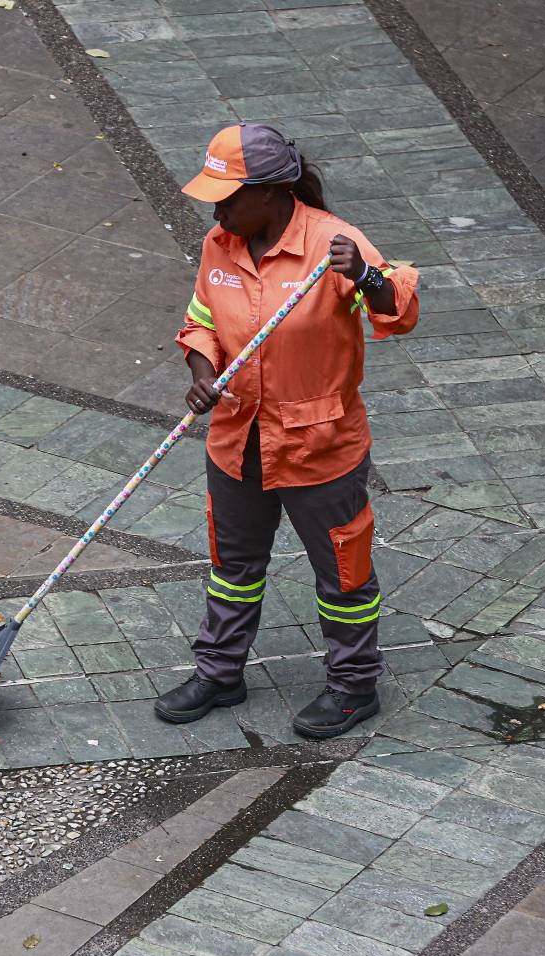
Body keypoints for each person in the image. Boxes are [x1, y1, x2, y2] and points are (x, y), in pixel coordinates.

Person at [154, 122, 419, 739]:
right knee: (233, 566)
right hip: (236, 439)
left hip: (319, 448)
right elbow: (201, 324)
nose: (218, 209)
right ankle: (220, 673)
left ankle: (354, 688)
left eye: (228, 195)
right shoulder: (221, 244)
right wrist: (201, 373)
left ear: (271, 192)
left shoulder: (337, 245)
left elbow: (398, 313)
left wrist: (368, 278)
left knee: (343, 576)